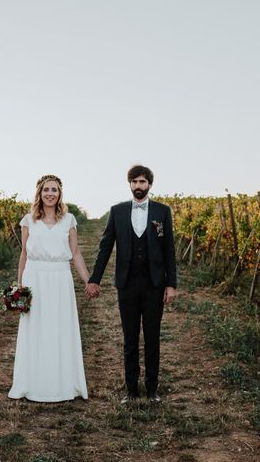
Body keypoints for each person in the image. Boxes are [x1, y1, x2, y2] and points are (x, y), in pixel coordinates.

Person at [86, 165, 176, 404]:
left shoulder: (162, 211)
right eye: (135, 181)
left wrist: (171, 285)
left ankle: (153, 389)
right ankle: (131, 391)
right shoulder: (117, 211)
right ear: (129, 184)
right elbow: (105, 247)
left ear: (149, 185)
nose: (139, 186)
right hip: (126, 284)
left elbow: (169, 250)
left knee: (153, 338)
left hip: (155, 284)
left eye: (143, 182)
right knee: (130, 339)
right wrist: (94, 278)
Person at [8, 175, 89, 402]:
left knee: (60, 328)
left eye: (54, 190)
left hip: (60, 279)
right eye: (46, 190)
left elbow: (75, 254)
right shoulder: (28, 221)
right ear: (40, 193)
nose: (50, 194)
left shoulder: (69, 220)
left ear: (60, 193)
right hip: (34, 278)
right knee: (35, 329)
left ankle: (62, 384)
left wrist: (87, 280)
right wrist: (20, 288)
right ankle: (33, 383)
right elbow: (24, 254)